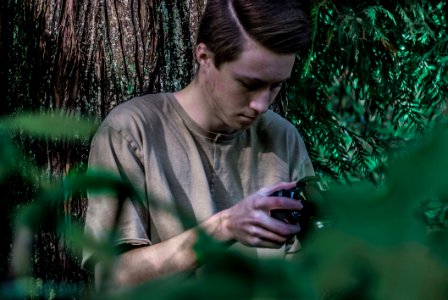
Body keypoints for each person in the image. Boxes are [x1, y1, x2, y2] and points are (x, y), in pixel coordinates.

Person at [82, 0, 314, 291]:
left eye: (276, 85)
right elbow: (113, 280)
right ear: (204, 56)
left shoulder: (283, 138)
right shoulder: (131, 131)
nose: (262, 104)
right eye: (248, 84)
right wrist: (224, 227)